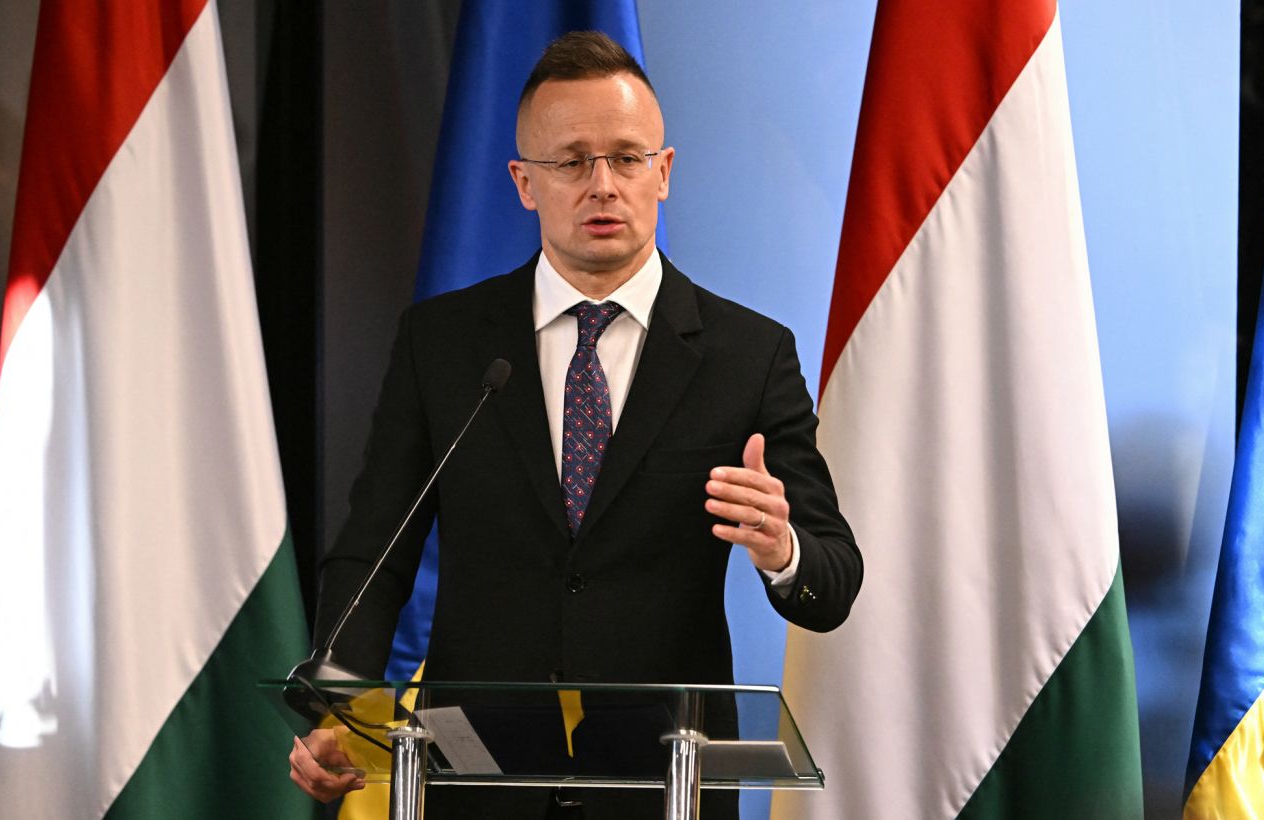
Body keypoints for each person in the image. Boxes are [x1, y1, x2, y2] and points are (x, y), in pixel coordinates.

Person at [289, 31, 862, 819]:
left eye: (627, 158)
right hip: (478, 785)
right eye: (571, 162)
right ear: (524, 183)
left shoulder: (748, 355)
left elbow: (832, 582)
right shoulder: (443, 344)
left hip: (665, 786)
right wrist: (335, 705)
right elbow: (374, 553)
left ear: (664, 172)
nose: (603, 185)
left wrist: (782, 548)